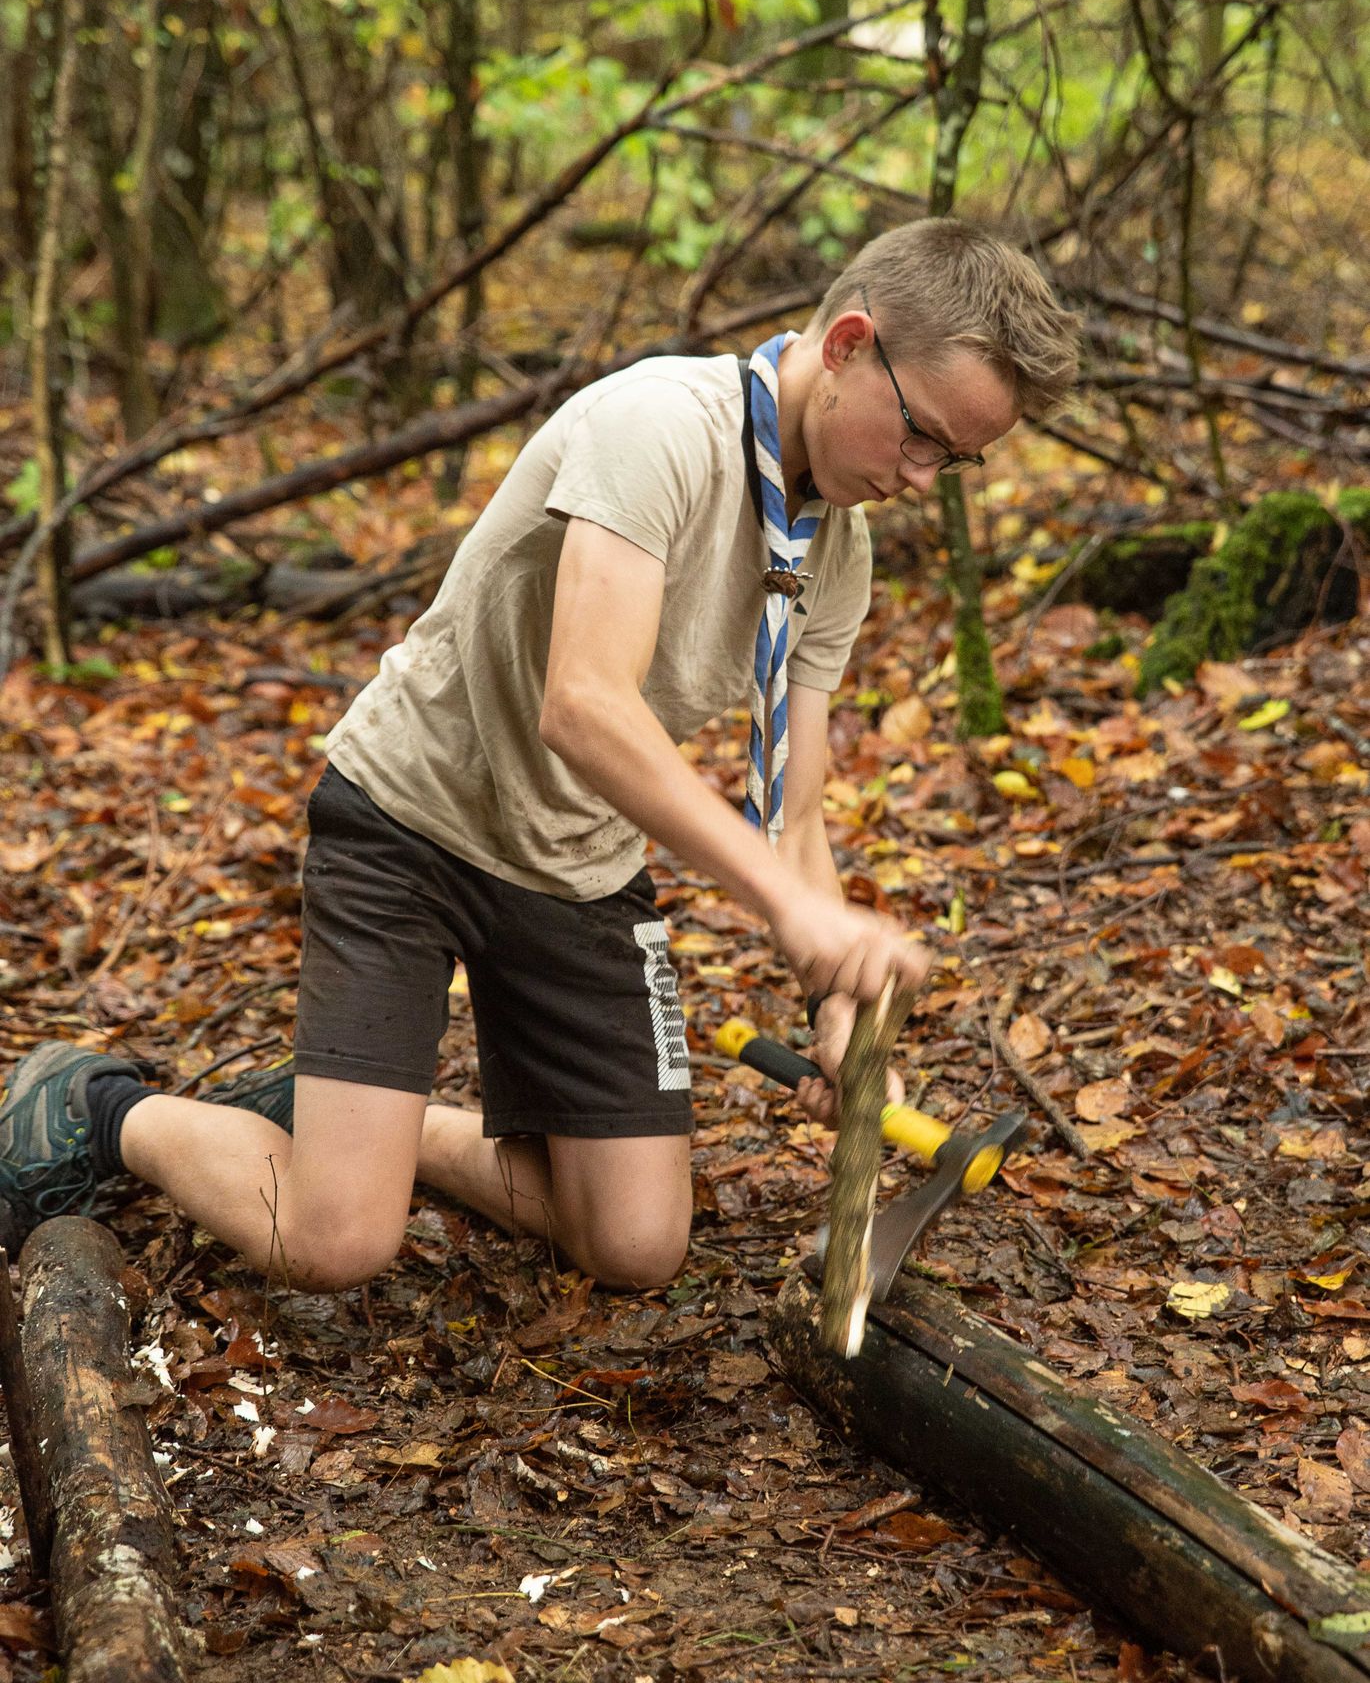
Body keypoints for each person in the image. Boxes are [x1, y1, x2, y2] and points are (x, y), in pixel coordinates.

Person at [0, 218, 1079, 1290]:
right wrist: (789, 910)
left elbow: (791, 817)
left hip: (577, 870)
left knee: (637, 1248)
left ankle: (362, 1123)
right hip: (411, 822)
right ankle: (104, 1109)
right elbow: (583, 704)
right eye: (926, 435)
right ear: (847, 344)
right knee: (333, 1244)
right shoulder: (658, 424)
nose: (928, 474)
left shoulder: (832, 557)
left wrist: (831, 1001)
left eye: (960, 459)